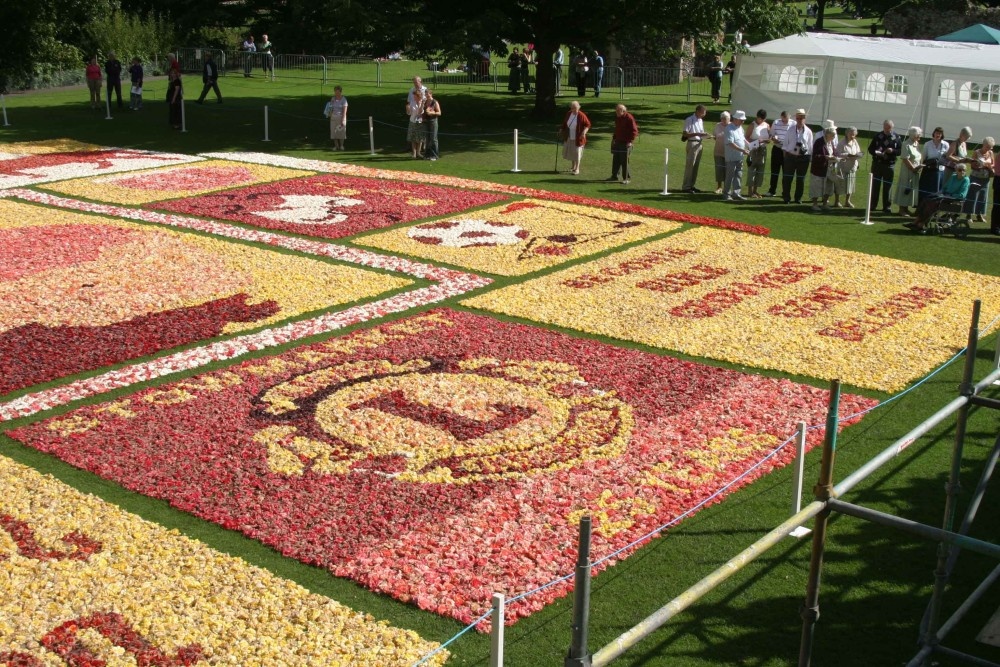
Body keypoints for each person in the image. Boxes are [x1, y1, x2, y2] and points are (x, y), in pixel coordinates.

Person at [907, 163, 970, 233]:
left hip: (953, 199)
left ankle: (921, 224)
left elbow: (962, 195)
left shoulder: (966, 180)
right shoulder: (953, 177)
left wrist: (950, 195)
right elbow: (945, 187)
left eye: (964, 170)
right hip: (944, 196)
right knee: (926, 200)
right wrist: (940, 193)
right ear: (956, 170)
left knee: (932, 204)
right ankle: (916, 222)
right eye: (960, 170)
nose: (962, 172)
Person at [867, 119, 901, 214]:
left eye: (888, 128)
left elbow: (900, 151)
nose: (886, 129)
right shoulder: (878, 136)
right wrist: (876, 152)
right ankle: (873, 205)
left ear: (892, 127)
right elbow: (870, 149)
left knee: (888, 186)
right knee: (875, 185)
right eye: (885, 127)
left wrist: (893, 151)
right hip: (877, 164)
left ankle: (887, 206)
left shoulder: (897, 137)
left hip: (889, 165)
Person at [782, 108, 813, 204]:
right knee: (787, 178)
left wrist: (809, 157)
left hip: (803, 158)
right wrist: (786, 157)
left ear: (805, 119)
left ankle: (798, 198)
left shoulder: (808, 131)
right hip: (790, 156)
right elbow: (785, 145)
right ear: (796, 119)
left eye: (802, 118)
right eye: (798, 118)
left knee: (801, 179)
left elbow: (810, 146)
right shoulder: (790, 129)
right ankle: (786, 197)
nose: (800, 120)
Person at [894, 126, 923, 216]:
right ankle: (901, 209)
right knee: (905, 188)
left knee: (911, 189)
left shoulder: (916, 144)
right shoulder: (906, 144)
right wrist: (913, 169)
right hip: (907, 171)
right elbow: (905, 159)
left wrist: (918, 167)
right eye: (918, 135)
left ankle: (906, 208)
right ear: (913, 135)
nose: (919, 137)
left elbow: (918, 156)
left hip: (916, 171)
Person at [964, 136, 994, 223]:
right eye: (987, 147)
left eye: (990, 147)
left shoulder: (991, 153)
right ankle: (968, 214)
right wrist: (982, 165)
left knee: (983, 197)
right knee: (972, 195)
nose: (988, 149)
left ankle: (979, 214)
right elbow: (972, 165)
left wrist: (989, 166)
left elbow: (993, 164)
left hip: (985, 178)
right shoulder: (976, 152)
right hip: (975, 177)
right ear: (983, 144)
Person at [722, 110, 750, 201]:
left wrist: (750, 145)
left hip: (740, 156)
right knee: (730, 175)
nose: (743, 122)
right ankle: (726, 194)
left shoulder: (740, 128)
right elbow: (730, 143)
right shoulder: (729, 128)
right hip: (731, 157)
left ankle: (736, 193)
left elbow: (743, 139)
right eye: (741, 120)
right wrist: (742, 150)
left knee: (738, 175)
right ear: (736, 119)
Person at [809, 122, 838, 210]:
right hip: (819, 168)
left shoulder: (831, 143)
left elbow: (834, 152)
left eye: (834, 136)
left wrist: (836, 157)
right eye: (832, 136)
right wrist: (825, 157)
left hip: (829, 168)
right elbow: (815, 155)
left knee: (829, 186)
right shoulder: (819, 141)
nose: (833, 138)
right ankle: (815, 204)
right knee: (817, 186)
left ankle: (825, 203)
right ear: (827, 134)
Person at [681, 104, 709, 193]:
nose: (703, 115)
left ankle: (692, 185)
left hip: (699, 143)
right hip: (692, 143)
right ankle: (686, 186)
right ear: (697, 111)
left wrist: (706, 135)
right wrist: (697, 134)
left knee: (695, 166)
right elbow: (685, 134)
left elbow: (701, 132)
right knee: (690, 165)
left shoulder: (700, 120)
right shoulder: (689, 119)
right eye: (702, 113)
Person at [609, 103, 638, 184]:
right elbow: (617, 129)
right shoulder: (618, 118)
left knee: (624, 161)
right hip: (618, 141)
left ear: (624, 111)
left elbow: (634, 131)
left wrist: (630, 142)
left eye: (618, 110)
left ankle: (626, 178)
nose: (617, 112)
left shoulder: (629, 118)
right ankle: (614, 176)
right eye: (616, 110)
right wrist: (614, 138)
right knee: (616, 160)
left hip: (625, 143)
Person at [919, 127, 949, 203]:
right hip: (929, 170)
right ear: (934, 133)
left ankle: (935, 206)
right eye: (936, 133)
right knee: (926, 189)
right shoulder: (927, 144)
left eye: (940, 133)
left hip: (940, 171)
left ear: (942, 135)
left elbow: (947, 157)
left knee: (937, 189)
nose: (938, 135)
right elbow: (924, 158)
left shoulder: (945, 144)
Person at [561, 100, 591, 175]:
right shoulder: (569, 113)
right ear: (571, 108)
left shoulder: (581, 115)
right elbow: (565, 123)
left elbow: (588, 125)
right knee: (572, 151)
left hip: (578, 137)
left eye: (576, 108)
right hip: (569, 136)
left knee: (577, 152)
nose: (574, 109)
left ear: (579, 107)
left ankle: (577, 169)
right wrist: (561, 129)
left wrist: (584, 132)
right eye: (573, 108)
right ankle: (573, 167)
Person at [835, 126, 862, 207]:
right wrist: (847, 155)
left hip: (852, 166)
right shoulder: (841, 143)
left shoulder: (855, 142)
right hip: (843, 166)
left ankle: (847, 201)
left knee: (850, 185)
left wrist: (858, 155)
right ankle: (837, 201)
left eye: (854, 134)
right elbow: (837, 154)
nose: (852, 136)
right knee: (839, 184)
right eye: (851, 134)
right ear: (846, 133)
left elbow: (858, 152)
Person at [766, 110, 790, 197]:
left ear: (789, 117)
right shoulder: (776, 122)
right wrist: (774, 138)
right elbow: (771, 135)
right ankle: (772, 190)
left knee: (786, 172)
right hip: (777, 148)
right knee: (774, 171)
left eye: (786, 120)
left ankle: (785, 192)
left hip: (787, 150)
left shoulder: (793, 124)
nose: (784, 122)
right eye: (783, 120)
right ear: (781, 117)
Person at [746, 109, 769, 198]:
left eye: (763, 119)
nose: (761, 121)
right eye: (760, 119)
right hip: (753, 149)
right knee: (751, 170)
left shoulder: (767, 125)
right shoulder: (752, 125)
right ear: (757, 117)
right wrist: (755, 141)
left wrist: (764, 140)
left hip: (762, 150)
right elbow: (747, 137)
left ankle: (755, 190)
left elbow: (769, 138)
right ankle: (750, 191)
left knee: (760, 170)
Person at [712, 111, 731, 193]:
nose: (723, 120)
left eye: (725, 118)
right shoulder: (717, 125)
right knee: (719, 169)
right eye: (722, 118)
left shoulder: (731, 126)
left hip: (728, 152)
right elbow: (715, 136)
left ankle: (727, 188)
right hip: (718, 151)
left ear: (729, 119)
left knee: (728, 170)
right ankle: (719, 187)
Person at [406, 88, 427, 158]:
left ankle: (418, 152)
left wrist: (422, 104)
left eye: (415, 96)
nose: (414, 98)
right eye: (414, 96)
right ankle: (414, 153)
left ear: (419, 96)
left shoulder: (423, 102)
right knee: (413, 138)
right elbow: (409, 113)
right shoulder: (412, 102)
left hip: (420, 122)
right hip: (413, 121)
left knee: (420, 138)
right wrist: (408, 109)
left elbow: (421, 112)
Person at [423, 89, 441, 160]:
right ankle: (427, 155)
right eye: (426, 94)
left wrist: (432, 113)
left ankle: (435, 155)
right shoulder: (425, 102)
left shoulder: (435, 102)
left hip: (433, 121)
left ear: (431, 94)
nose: (427, 95)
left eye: (428, 94)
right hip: (426, 121)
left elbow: (439, 113)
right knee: (427, 138)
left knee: (433, 138)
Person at [328, 85, 348, 150]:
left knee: (341, 132)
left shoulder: (344, 100)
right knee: (334, 132)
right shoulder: (333, 98)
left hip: (341, 117)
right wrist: (329, 114)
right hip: (333, 117)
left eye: (338, 92)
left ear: (340, 92)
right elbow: (330, 107)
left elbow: (344, 111)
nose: (336, 93)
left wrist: (342, 120)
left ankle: (341, 145)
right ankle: (336, 146)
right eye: (335, 92)